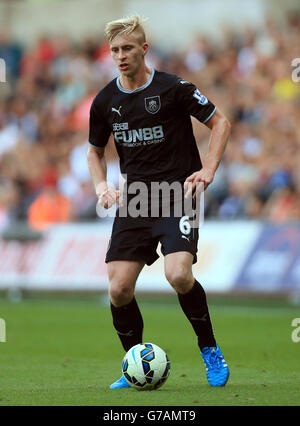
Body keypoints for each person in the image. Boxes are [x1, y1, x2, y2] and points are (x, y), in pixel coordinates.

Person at [87, 16, 231, 389]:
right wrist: (102, 186)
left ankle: (210, 349)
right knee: (118, 289)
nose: (120, 56)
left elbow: (221, 123)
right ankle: (133, 363)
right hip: (135, 198)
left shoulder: (173, 88)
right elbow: (94, 151)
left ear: (144, 49)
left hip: (176, 193)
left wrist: (209, 168)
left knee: (178, 274)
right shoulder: (105, 100)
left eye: (128, 48)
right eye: (115, 50)